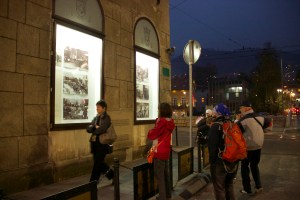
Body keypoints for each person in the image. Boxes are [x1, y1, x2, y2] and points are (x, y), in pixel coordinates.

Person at [236, 101, 267, 195]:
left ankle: (247, 189)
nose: (240, 110)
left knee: (244, 167)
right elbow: (268, 126)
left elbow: (237, 132)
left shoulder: (243, 120)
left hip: (248, 147)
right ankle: (258, 186)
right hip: (258, 146)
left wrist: (237, 121)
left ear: (246, 108)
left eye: (241, 108)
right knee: (254, 165)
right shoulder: (260, 117)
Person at [208, 103, 238, 200]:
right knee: (229, 186)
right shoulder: (232, 125)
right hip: (233, 160)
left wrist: (212, 163)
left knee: (219, 188)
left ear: (218, 113)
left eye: (214, 111)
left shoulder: (215, 126)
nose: (213, 113)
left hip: (220, 161)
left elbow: (212, 147)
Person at [147, 103, 175, 200]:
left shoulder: (161, 122)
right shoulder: (170, 121)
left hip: (159, 151)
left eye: (159, 109)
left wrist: (149, 131)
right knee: (166, 174)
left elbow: (154, 134)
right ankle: (168, 195)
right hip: (166, 151)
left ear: (161, 110)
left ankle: (162, 197)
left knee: (159, 176)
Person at [86, 100, 114, 183]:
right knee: (99, 163)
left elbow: (102, 129)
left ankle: (93, 182)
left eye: (98, 107)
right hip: (95, 143)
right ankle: (113, 175)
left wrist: (95, 128)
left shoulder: (106, 118)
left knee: (97, 164)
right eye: (96, 107)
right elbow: (88, 128)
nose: (97, 108)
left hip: (102, 144)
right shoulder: (96, 117)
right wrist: (95, 127)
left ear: (104, 108)